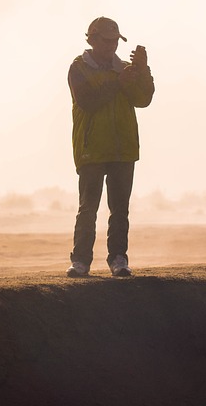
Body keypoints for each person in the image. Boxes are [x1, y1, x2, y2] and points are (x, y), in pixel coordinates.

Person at [66, 16, 155, 277]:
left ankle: (118, 259)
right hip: (91, 149)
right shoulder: (79, 68)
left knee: (120, 210)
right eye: (106, 41)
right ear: (92, 39)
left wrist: (143, 70)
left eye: (115, 41)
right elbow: (87, 101)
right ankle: (81, 261)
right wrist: (119, 82)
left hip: (123, 149)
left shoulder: (125, 69)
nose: (111, 46)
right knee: (88, 208)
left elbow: (144, 99)